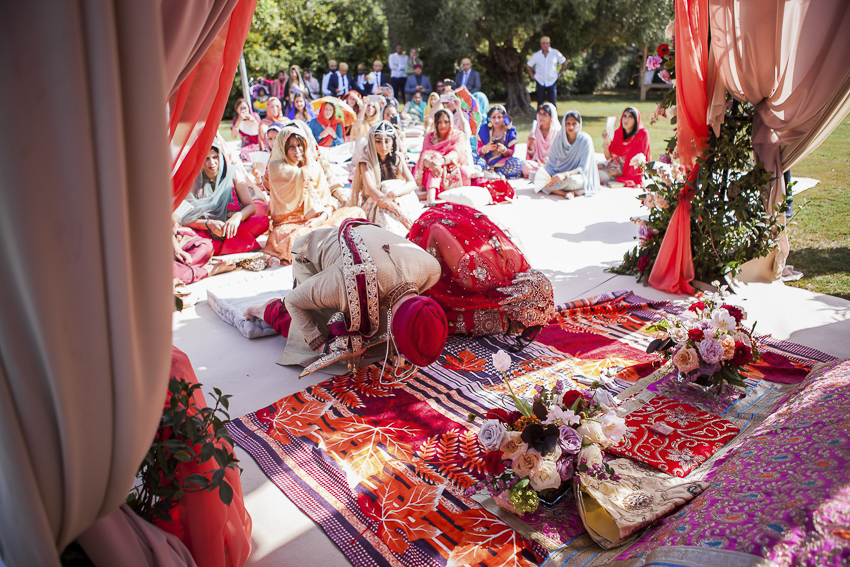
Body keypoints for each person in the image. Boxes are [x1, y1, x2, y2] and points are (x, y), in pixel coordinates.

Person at [244, 220, 447, 377]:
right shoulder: (345, 284)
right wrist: (323, 347)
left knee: (377, 344)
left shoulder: (431, 269)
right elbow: (295, 301)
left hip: (363, 258)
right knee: (339, 355)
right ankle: (265, 309)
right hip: (313, 258)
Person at [408, 203, 554, 339]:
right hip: (428, 229)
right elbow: (436, 230)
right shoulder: (476, 278)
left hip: (455, 228)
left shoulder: (519, 270)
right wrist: (434, 279)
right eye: (521, 325)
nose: (519, 331)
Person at [263, 126, 364, 263]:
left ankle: (326, 241)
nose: (297, 151)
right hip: (292, 224)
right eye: (291, 147)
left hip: (318, 220)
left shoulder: (312, 166)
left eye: (300, 145)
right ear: (283, 148)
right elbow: (304, 174)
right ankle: (332, 241)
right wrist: (310, 162)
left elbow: (327, 201)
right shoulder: (277, 167)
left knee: (357, 213)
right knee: (294, 239)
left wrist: (321, 218)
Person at [180, 140, 270, 255]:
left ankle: (221, 247)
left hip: (235, 227)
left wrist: (237, 217)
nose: (212, 162)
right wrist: (210, 224)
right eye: (206, 158)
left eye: (215, 157)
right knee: (186, 232)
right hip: (208, 231)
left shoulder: (232, 173)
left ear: (221, 156)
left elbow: (250, 206)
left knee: (261, 221)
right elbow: (187, 219)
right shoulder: (195, 180)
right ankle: (229, 245)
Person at [350, 121, 423, 235]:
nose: (383, 146)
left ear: (393, 142)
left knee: (398, 188)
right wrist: (398, 211)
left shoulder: (398, 158)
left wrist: (393, 194)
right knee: (384, 188)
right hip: (376, 203)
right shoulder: (365, 163)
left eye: (387, 141)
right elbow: (371, 191)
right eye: (378, 141)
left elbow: (412, 183)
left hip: (396, 199)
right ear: (372, 142)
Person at [534, 110, 599, 199]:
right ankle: (564, 193)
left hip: (573, 177)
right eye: (567, 123)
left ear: (579, 124)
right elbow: (552, 163)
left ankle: (551, 189)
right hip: (557, 177)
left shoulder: (585, 140)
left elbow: (583, 168)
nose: (570, 126)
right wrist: (549, 176)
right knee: (534, 176)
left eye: (574, 123)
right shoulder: (559, 138)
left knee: (573, 181)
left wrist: (565, 175)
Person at [415, 109, 472, 203]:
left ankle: (431, 193)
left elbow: (456, 153)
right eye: (439, 122)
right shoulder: (429, 136)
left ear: (451, 122)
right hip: (431, 171)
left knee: (465, 173)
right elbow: (424, 156)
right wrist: (432, 163)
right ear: (435, 123)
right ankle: (431, 197)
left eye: (446, 122)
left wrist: (441, 161)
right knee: (435, 157)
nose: (443, 125)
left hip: (451, 170)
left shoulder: (458, 135)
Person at [600, 106, 651, 187]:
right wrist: (605, 140)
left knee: (595, 176)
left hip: (623, 170)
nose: (626, 120)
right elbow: (608, 157)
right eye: (624, 116)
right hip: (611, 164)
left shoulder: (642, 134)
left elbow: (641, 158)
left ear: (636, 120)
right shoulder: (618, 133)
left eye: (630, 117)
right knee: (589, 169)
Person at [475, 105, 523, 179]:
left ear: (504, 117)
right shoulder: (484, 129)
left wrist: (504, 150)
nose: (496, 120)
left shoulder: (510, 130)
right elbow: (478, 150)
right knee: (473, 159)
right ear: (490, 118)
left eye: (499, 117)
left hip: (501, 163)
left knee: (518, 163)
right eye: (494, 117)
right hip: (485, 161)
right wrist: (486, 148)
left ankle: (493, 173)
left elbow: (511, 152)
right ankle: (490, 173)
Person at [526, 36, 567, 107]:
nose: (545, 45)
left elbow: (564, 62)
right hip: (540, 80)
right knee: (540, 102)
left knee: (552, 103)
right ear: (541, 44)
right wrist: (532, 75)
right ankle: (539, 117)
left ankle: (553, 117)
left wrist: (559, 74)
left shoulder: (555, 53)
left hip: (552, 80)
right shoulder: (537, 55)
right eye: (543, 43)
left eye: (547, 43)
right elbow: (528, 65)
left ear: (549, 44)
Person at [522, 102, 560, 177]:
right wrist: (531, 145)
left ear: (551, 116)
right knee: (525, 165)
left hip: (553, 163)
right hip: (538, 164)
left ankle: (541, 173)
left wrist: (549, 159)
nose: (541, 117)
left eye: (545, 114)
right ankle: (545, 173)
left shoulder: (558, 132)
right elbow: (530, 156)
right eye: (540, 114)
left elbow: (561, 153)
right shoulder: (534, 131)